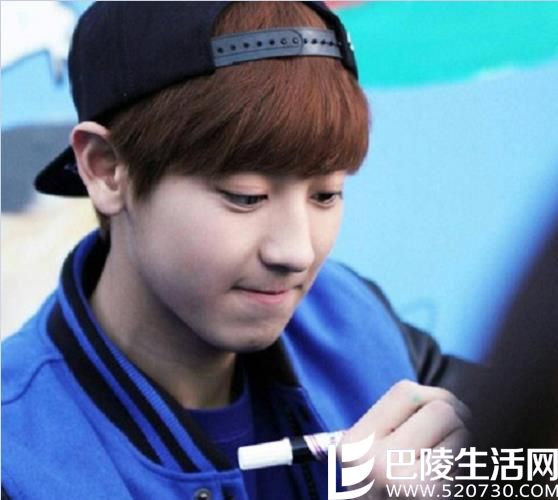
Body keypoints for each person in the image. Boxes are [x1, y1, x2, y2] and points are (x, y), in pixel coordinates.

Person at [1, 3, 473, 499]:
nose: (296, 252)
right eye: (246, 197)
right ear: (106, 169)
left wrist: (479, 477)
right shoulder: (17, 457)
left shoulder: (353, 320)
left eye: (326, 195)